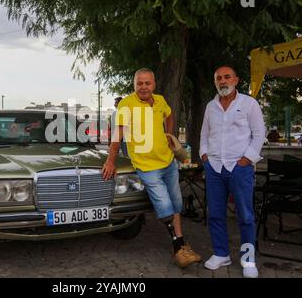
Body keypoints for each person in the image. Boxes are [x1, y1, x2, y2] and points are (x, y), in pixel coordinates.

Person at [102, 68, 201, 268]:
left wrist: (169, 134)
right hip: (147, 167)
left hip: (168, 163)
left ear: (153, 84)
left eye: (147, 83)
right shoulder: (126, 104)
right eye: (140, 83)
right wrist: (110, 161)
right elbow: (117, 136)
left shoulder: (160, 100)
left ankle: (181, 244)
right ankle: (178, 249)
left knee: (176, 203)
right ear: (134, 84)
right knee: (164, 206)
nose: (144, 87)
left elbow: (170, 115)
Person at [199, 66, 265, 278]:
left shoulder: (249, 103)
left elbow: (259, 133)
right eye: (218, 78)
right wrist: (204, 156)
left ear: (236, 79)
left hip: (239, 168)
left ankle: (248, 260)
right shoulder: (211, 106)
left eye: (227, 77)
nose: (223, 80)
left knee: (245, 216)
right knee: (215, 214)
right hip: (215, 168)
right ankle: (221, 253)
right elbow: (204, 134)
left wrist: (247, 159)